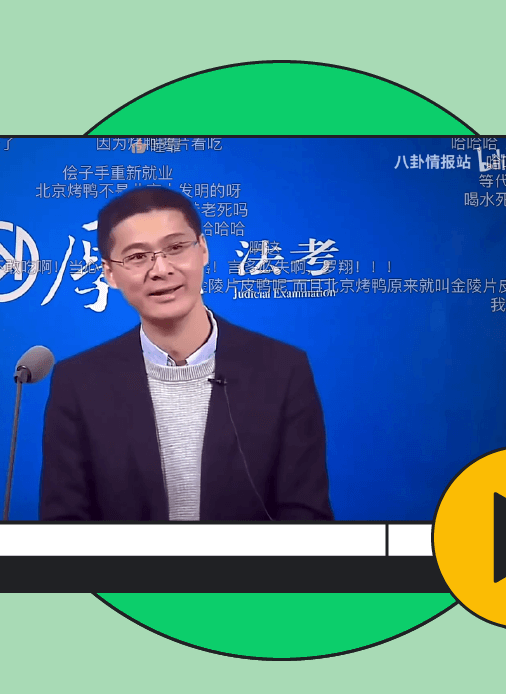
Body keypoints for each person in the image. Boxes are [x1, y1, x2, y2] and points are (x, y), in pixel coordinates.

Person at [39, 186, 333, 521]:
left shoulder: (282, 370)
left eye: (176, 248)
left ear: (203, 249)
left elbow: (306, 518)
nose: (161, 269)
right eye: (137, 257)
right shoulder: (79, 383)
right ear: (110, 273)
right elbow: (65, 523)